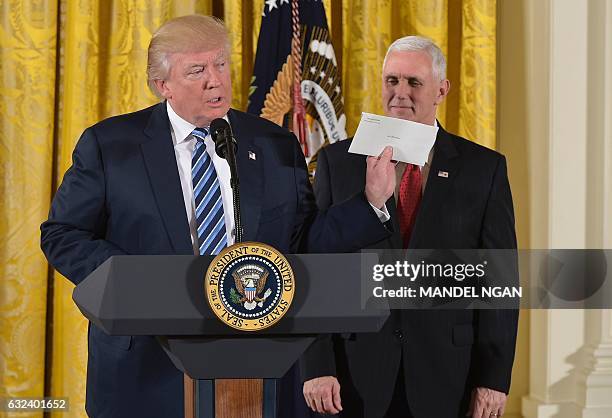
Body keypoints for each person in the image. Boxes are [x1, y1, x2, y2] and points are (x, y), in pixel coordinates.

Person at [40, 15, 396, 418]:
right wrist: (126, 280)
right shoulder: (110, 145)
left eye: (221, 64)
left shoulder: (274, 144)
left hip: (260, 363)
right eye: (197, 70)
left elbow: (303, 245)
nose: (215, 80)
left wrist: (370, 201)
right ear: (163, 86)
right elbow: (62, 233)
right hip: (145, 365)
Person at [301, 36, 518, 418]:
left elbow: (499, 280)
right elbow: (315, 269)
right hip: (353, 372)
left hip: (449, 373)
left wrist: (494, 377)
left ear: (441, 89)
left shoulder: (484, 169)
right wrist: (318, 366)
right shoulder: (339, 162)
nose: (400, 93)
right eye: (392, 81)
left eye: (414, 83)